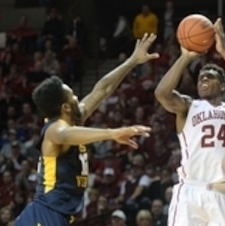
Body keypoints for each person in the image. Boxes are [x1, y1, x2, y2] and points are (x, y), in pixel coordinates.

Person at [14, 33, 159, 226]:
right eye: (73, 96)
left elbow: (102, 89)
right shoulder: (54, 130)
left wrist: (132, 61)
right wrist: (112, 133)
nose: (77, 99)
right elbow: (64, 135)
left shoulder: (73, 119)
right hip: (44, 215)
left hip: (55, 215)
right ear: (65, 107)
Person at [154, 18, 225, 226]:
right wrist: (184, 58)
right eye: (201, 77)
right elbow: (162, 93)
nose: (203, 79)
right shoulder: (188, 106)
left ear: (222, 86)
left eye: (209, 77)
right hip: (190, 191)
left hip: (219, 193)